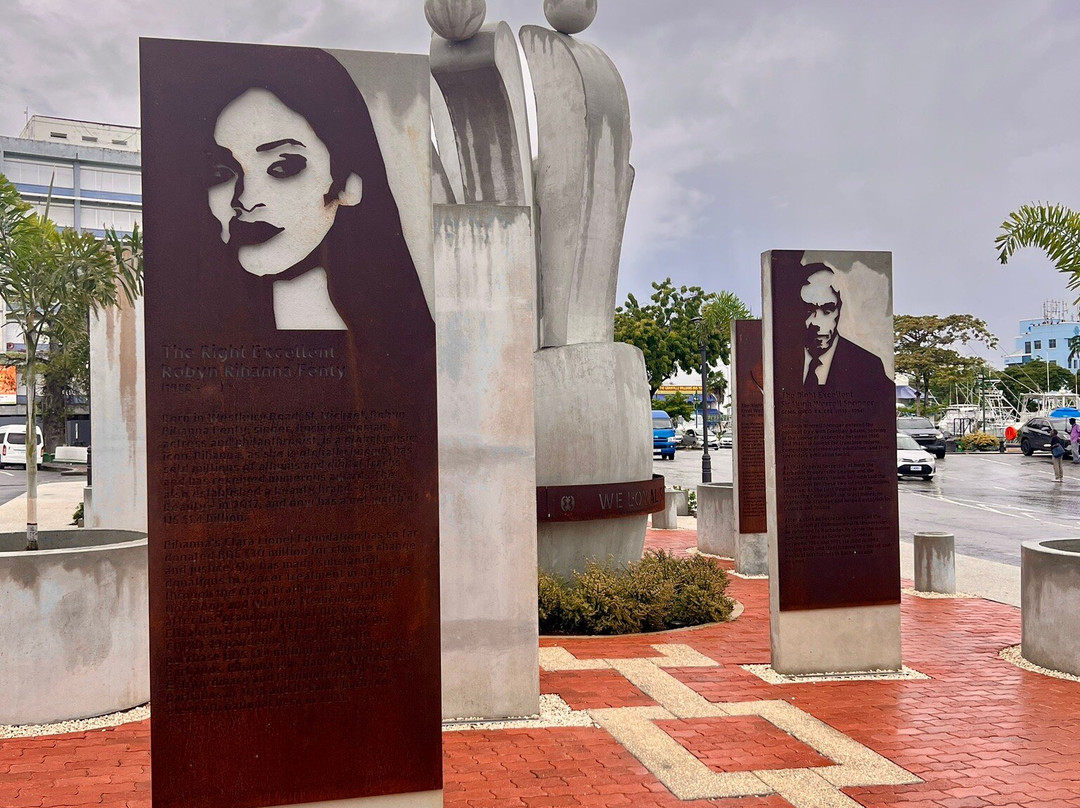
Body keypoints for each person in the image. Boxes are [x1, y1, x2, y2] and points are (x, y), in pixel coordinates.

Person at [798, 264, 890, 391]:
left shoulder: (869, 367)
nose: (817, 322)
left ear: (839, 309)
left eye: (827, 310)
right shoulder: (781, 362)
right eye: (808, 310)